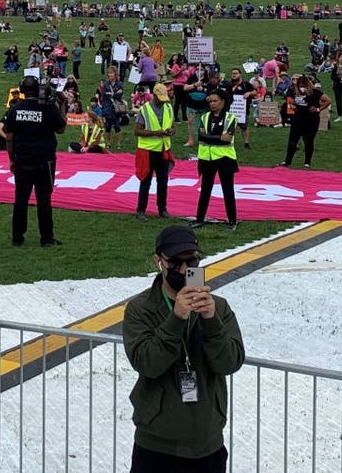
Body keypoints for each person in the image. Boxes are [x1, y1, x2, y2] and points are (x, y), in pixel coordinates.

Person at [123, 225, 244, 472]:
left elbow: (230, 362)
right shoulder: (140, 309)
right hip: (156, 446)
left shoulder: (218, 308)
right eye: (176, 262)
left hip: (208, 445)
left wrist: (211, 322)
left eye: (192, 261)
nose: (184, 269)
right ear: (159, 261)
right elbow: (147, 363)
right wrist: (176, 318)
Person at [4, 75, 68, 247]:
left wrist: (12, 159)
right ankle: (46, 237)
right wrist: (62, 104)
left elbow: (9, 137)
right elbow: (61, 128)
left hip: (22, 160)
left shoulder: (15, 109)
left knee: (20, 199)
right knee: (44, 200)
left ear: (22, 90)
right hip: (44, 161)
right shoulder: (48, 108)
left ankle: (17, 237)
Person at [191, 90, 239, 231]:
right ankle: (199, 219)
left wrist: (210, 137)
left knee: (227, 190)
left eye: (215, 101)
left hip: (225, 158)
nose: (212, 104)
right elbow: (201, 136)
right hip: (207, 158)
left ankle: (232, 221)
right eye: (210, 101)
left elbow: (227, 140)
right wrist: (218, 138)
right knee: (205, 189)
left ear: (223, 102)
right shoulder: (205, 117)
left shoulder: (231, 118)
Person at [134, 83, 174, 220]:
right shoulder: (145, 109)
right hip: (148, 150)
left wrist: (170, 131)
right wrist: (155, 133)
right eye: (160, 98)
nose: (163, 101)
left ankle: (162, 209)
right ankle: (141, 210)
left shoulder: (168, 107)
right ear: (154, 95)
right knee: (146, 180)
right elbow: (137, 130)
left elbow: (174, 128)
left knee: (163, 181)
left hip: (163, 149)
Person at [278, 75, 329, 169]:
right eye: (300, 85)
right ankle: (287, 161)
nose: (301, 88)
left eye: (303, 85)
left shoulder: (315, 92)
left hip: (311, 120)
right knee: (292, 140)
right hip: (298, 118)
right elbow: (289, 101)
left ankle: (307, 162)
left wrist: (318, 109)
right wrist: (292, 105)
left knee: (308, 141)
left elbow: (328, 100)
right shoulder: (294, 91)